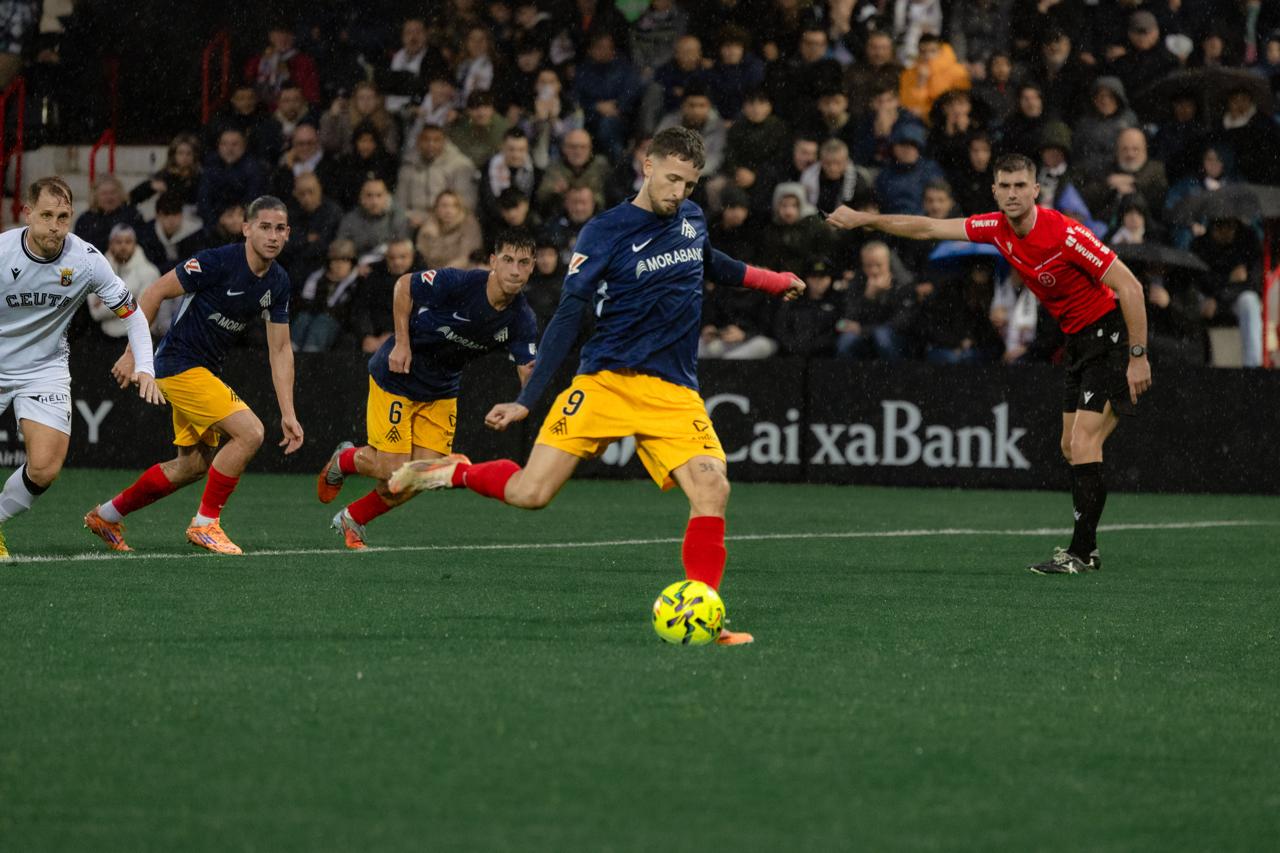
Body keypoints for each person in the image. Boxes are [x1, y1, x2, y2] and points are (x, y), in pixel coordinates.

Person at [385, 126, 804, 645]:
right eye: (672, 179)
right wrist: (526, 399)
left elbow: (712, 263)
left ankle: (706, 619)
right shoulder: (604, 232)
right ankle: (452, 473)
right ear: (646, 166)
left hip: (673, 391)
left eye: (690, 185)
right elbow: (566, 316)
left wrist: (772, 280)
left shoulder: (692, 219)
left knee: (713, 488)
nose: (679, 193)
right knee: (531, 493)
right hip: (605, 382)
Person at [826, 152, 1152, 574]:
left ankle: (1081, 553)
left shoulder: (1065, 233)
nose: (1013, 194)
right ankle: (1085, 548)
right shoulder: (996, 228)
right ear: (995, 190)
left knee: (1083, 444)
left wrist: (1137, 355)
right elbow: (926, 227)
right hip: (1078, 342)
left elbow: (1130, 286)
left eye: (1021, 186)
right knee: (1070, 448)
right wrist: (861, 220)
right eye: (1006, 186)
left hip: (1112, 337)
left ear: (1036, 190)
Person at [84, 196, 304, 556]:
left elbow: (280, 350)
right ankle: (205, 525)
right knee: (250, 433)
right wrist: (133, 354)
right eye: (264, 226)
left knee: (192, 465)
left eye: (280, 228)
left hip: (203, 369)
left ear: (288, 234)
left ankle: (106, 516)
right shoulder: (217, 261)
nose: (273, 236)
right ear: (246, 228)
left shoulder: (278, 282)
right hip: (178, 363)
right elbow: (154, 291)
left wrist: (289, 413)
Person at [317, 230, 540, 549]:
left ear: (532, 268)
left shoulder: (522, 320)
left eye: (524, 263)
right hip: (398, 375)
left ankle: (353, 518)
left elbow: (527, 368)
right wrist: (402, 343)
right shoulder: (461, 283)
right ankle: (345, 459)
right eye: (507, 260)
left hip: (441, 389)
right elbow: (404, 285)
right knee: (392, 471)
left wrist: (523, 403)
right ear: (493, 261)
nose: (515, 270)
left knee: (421, 476)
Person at [0, 177, 163, 560]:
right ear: (27, 213)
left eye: (63, 216)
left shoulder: (87, 260)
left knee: (44, 469)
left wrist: (146, 368)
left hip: (44, 368)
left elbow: (134, 315)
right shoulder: (3, 253)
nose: (55, 226)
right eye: (46, 216)